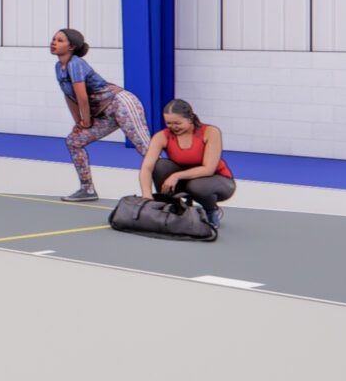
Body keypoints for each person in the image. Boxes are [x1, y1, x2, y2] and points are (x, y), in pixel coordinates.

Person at [56, 28, 148, 202]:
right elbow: (69, 96)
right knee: (74, 141)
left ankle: (170, 188)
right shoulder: (58, 68)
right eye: (54, 39)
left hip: (120, 103)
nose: (54, 43)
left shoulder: (76, 63)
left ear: (71, 47)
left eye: (60, 40)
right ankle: (87, 190)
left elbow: (82, 97)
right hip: (103, 113)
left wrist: (86, 121)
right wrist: (78, 122)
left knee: (146, 148)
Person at [137, 98, 235, 231]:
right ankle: (174, 207)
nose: (173, 127)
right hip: (184, 180)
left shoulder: (211, 132)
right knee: (159, 165)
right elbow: (147, 167)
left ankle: (211, 211)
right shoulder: (161, 136)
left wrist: (176, 176)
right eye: (169, 123)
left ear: (190, 119)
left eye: (177, 123)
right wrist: (147, 195)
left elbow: (208, 169)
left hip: (216, 181)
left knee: (196, 186)